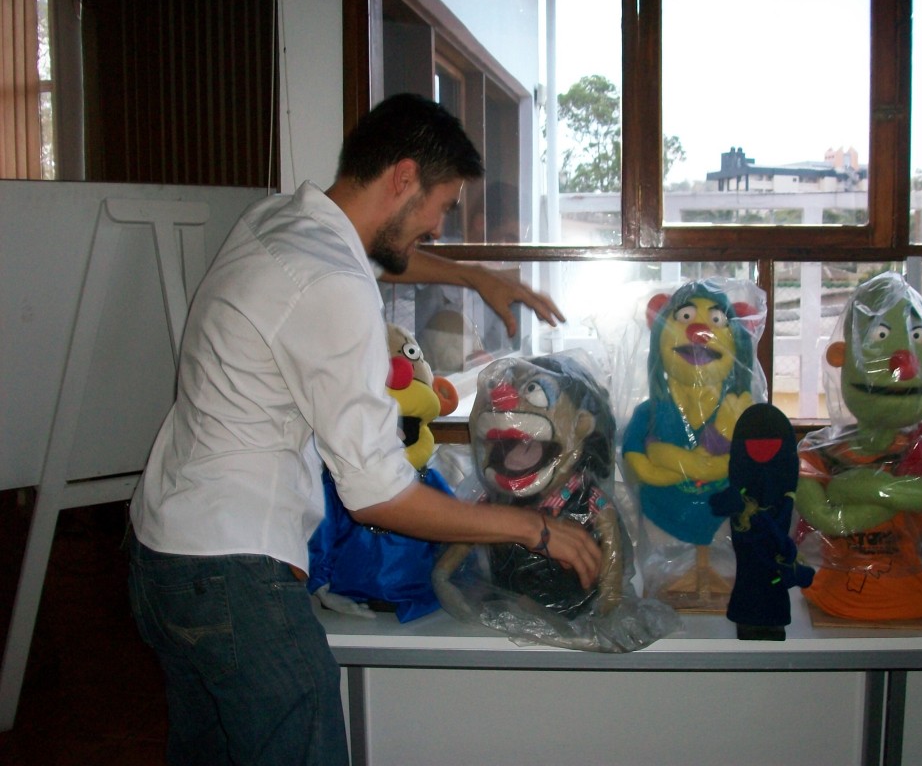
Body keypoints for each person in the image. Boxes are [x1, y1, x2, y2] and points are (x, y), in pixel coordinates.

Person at [127, 93, 602, 766]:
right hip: (233, 575)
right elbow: (378, 497)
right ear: (403, 177)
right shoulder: (331, 285)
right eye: (441, 207)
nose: (437, 227)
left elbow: (377, 256)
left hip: (161, 551)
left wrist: (472, 276)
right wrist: (534, 529)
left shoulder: (281, 219)